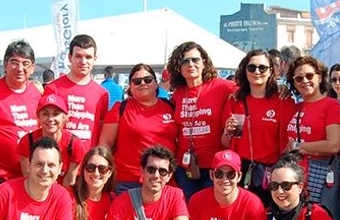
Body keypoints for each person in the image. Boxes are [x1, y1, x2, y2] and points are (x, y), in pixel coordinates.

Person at [220, 50, 295, 202]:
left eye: (262, 68)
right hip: (241, 172)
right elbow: (226, 143)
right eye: (252, 68)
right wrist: (228, 132)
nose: (257, 72)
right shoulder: (235, 101)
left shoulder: (282, 100)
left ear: (271, 71)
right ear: (245, 71)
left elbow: (290, 142)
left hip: (272, 174)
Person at [167, 41, 235, 198]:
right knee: (189, 211)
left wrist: (278, 87)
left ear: (204, 62)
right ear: (178, 67)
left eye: (195, 60)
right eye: (184, 61)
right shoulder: (178, 93)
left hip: (215, 167)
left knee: (209, 210)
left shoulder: (222, 86)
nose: (190, 64)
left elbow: (251, 88)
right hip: (184, 167)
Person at [0, 40, 41, 206]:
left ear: (32, 68)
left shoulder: (36, 94)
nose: (20, 69)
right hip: (1, 178)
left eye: (26, 64)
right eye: (14, 62)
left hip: (31, 178)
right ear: (5, 64)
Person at [97, 64, 179, 192]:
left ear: (156, 83)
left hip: (164, 179)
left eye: (147, 80)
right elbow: (105, 144)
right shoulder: (120, 108)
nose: (142, 83)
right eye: (136, 81)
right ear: (130, 87)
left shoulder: (170, 106)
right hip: (128, 182)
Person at [284, 55, 340, 209]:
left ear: (319, 77)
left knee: (318, 219)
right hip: (294, 173)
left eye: (309, 76)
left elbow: (334, 145)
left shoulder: (331, 106)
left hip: (319, 174)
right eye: (299, 79)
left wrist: (299, 146)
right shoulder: (294, 107)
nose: (304, 81)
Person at [45, 35, 108, 152]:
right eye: (78, 56)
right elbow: (43, 126)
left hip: (88, 162)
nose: (83, 62)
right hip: (58, 159)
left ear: (95, 59)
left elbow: (102, 128)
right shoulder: (53, 88)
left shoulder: (102, 93)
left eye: (88, 57)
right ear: (70, 58)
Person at [18, 93, 83, 185]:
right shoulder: (27, 141)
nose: (51, 119)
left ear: (64, 117)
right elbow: (28, 178)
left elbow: (69, 181)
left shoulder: (74, 144)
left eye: (56, 114)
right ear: (38, 117)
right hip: (35, 190)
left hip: (62, 192)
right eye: (45, 114)